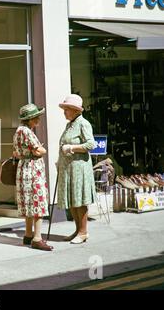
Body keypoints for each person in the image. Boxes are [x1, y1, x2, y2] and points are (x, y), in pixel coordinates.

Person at [57, 94, 96, 244]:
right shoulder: (70, 125)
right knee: (73, 199)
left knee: (80, 199)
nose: (64, 112)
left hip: (79, 168)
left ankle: (83, 231)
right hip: (69, 168)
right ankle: (77, 229)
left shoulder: (83, 124)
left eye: (67, 109)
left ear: (75, 110)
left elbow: (90, 144)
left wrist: (72, 147)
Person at [13, 104, 53, 251]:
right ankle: (37, 238)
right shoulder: (27, 132)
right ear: (30, 119)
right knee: (38, 201)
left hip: (23, 168)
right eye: (36, 117)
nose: (38, 120)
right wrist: (42, 150)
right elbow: (39, 150)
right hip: (32, 169)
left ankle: (28, 234)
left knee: (28, 202)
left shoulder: (18, 131)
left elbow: (17, 153)